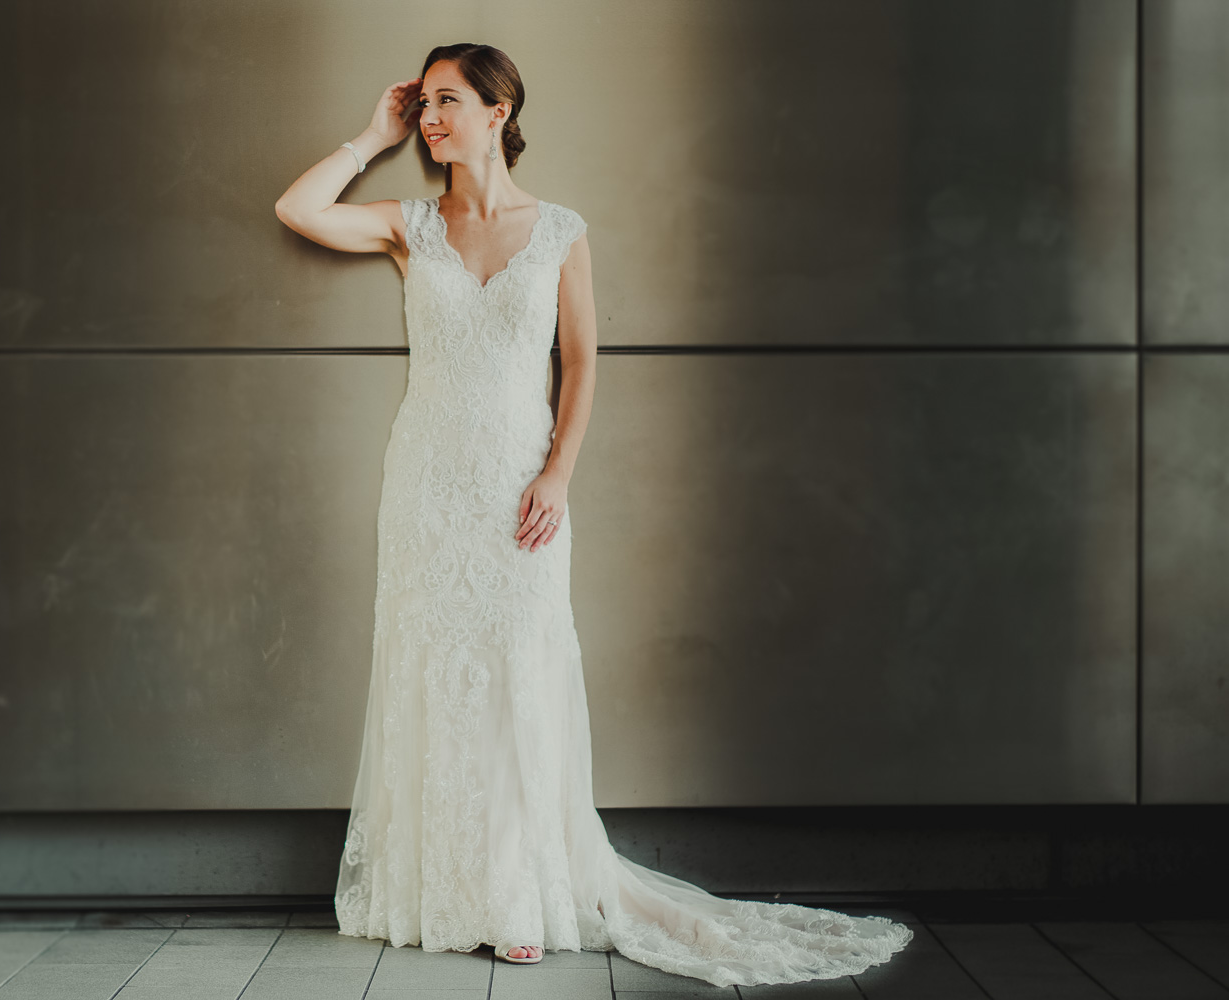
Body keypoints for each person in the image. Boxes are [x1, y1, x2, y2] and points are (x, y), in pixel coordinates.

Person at [273, 42, 914, 989]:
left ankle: (520, 892)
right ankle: (444, 894)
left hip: (518, 480)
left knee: (520, 674)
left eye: (449, 102)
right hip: (427, 482)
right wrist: (373, 134)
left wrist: (558, 476)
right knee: (432, 673)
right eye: (427, 105)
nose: (432, 120)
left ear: (500, 111)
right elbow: (297, 209)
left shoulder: (561, 229)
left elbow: (580, 361)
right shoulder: (411, 223)